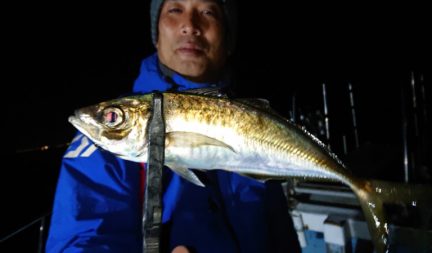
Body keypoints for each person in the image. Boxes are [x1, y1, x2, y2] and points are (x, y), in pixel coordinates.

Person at [46, 0, 301, 252]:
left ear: (228, 39)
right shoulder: (99, 146)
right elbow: (84, 241)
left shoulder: (261, 127)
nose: (189, 25)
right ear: (156, 35)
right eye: (175, 10)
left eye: (207, 11)